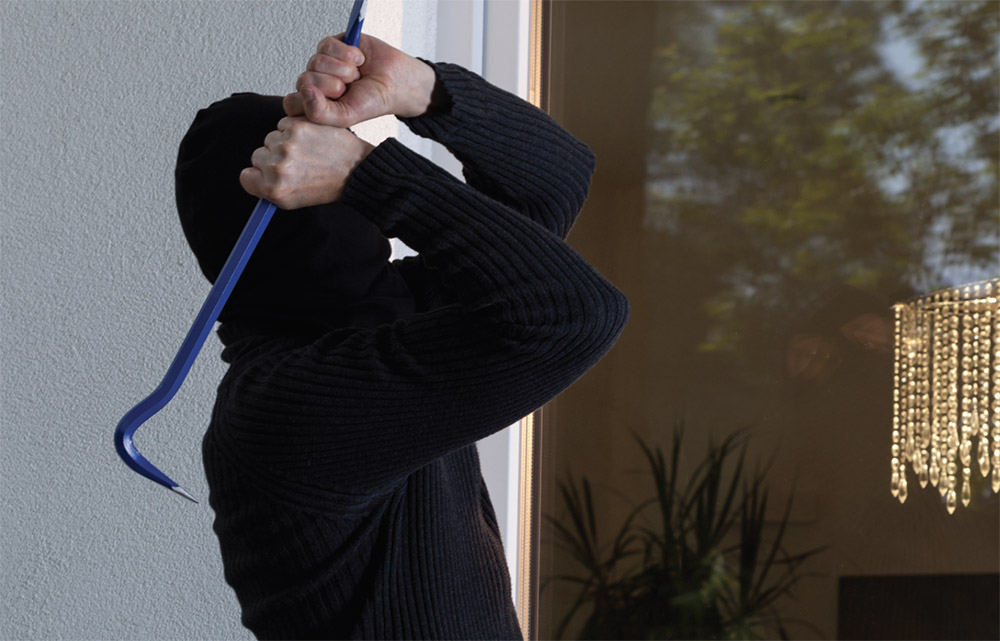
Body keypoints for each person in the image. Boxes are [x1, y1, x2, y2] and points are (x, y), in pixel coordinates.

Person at [175, 33, 629, 640]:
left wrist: (421, 90)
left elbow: (558, 181)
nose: (345, 164)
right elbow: (574, 316)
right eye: (327, 160)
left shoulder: (393, 312)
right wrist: (365, 174)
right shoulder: (278, 407)